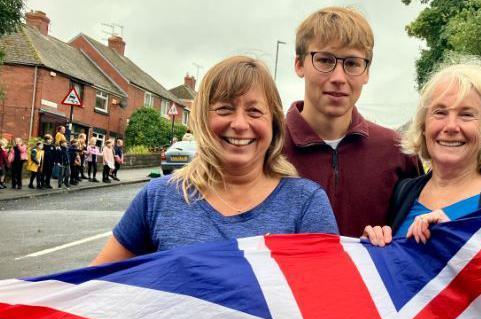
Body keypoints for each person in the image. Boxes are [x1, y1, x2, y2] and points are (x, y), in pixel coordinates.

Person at [92, 55, 338, 264]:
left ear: (273, 123)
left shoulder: (306, 203)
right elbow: (92, 292)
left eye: (254, 111)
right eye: (224, 109)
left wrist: (376, 245)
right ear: (202, 118)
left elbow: (334, 300)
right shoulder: (158, 198)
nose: (240, 124)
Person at [284, 6, 421, 237]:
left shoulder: (398, 151)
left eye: (352, 64)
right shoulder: (267, 146)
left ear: (367, 72)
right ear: (299, 64)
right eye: (325, 60)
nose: (338, 78)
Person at [362, 57, 481, 246]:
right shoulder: (403, 192)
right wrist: (376, 247)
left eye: (466, 114)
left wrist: (457, 241)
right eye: (440, 112)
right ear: (423, 124)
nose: (451, 126)